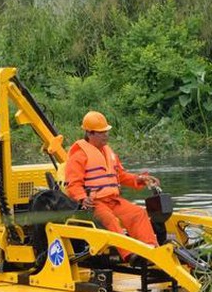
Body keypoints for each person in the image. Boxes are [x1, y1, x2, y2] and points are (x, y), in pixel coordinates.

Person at [65, 111, 160, 264]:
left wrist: (140, 179)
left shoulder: (109, 153)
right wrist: (82, 198)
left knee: (138, 213)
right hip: (95, 204)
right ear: (90, 133)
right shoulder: (79, 156)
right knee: (110, 220)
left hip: (113, 200)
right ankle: (129, 255)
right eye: (102, 133)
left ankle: (151, 250)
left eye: (106, 132)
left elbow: (120, 176)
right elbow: (73, 184)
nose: (106, 135)